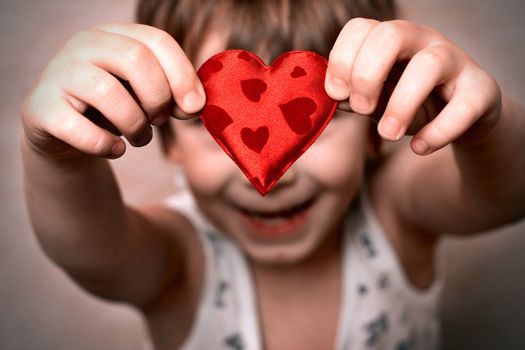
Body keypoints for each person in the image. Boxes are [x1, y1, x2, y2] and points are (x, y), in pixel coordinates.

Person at [20, 0, 525, 349]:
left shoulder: (395, 213)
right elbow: (93, 253)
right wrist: (59, 158)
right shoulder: (178, 258)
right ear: (169, 143)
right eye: (208, 125)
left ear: (375, 131)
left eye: (317, 121)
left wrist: (484, 126)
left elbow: (508, 193)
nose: (267, 174)